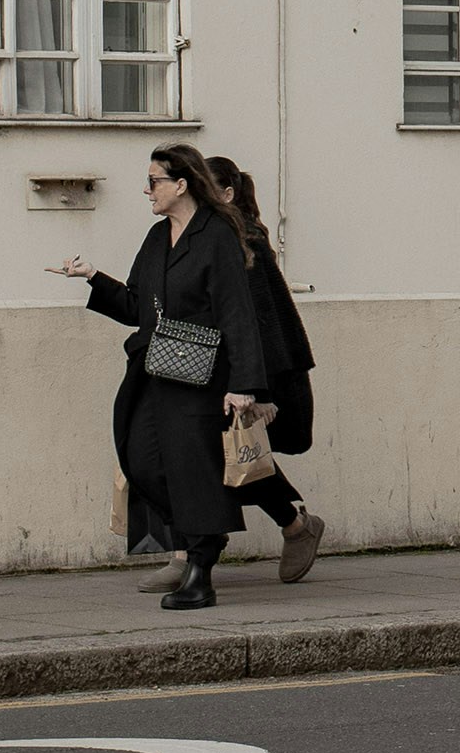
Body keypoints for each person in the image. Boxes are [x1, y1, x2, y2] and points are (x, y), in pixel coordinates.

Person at [63, 146, 271, 614]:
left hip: (202, 379)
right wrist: (93, 276)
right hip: (153, 372)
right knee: (141, 461)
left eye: (154, 180)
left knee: (193, 470)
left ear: (181, 185)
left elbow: (238, 313)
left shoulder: (217, 236)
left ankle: (200, 568)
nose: (147, 189)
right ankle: (203, 535)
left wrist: (244, 386)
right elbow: (138, 306)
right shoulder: (158, 237)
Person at [204, 160, 327, 580]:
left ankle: (294, 526)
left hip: (258, 374)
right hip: (218, 371)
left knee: (237, 455)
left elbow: (264, 319)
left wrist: (259, 390)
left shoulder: (244, 242)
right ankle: (193, 553)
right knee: (212, 455)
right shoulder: (206, 237)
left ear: (227, 194)